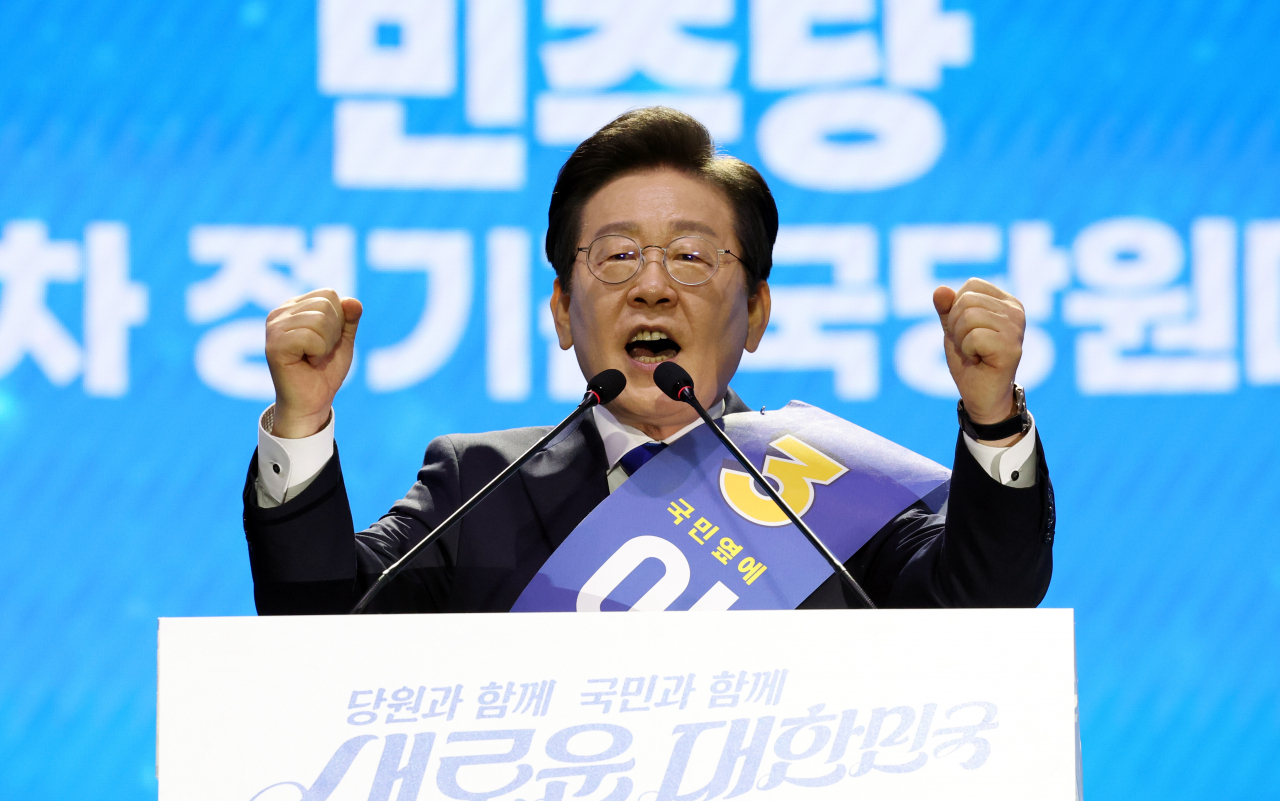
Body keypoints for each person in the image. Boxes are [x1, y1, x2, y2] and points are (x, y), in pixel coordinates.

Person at [243, 107, 1053, 615]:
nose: (654, 288)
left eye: (693, 257)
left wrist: (993, 415)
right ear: (563, 311)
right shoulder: (477, 485)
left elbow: (983, 603)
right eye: (618, 256)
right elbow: (319, 621)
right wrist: (303, 423)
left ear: (758, 313)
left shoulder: (829, 489)